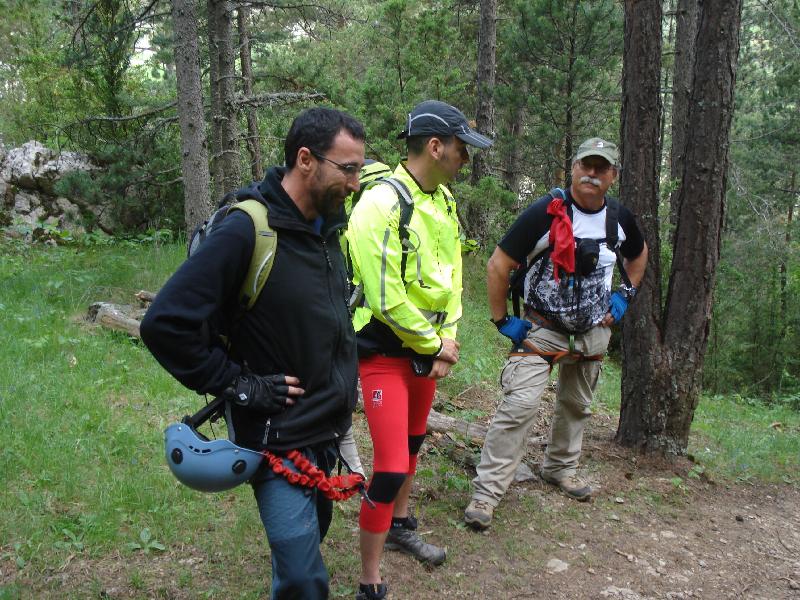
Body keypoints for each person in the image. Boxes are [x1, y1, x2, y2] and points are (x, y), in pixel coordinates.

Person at [140, 107, 365, 599]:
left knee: (306, 547)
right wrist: (241, 385)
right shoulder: (248, 229)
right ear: (305, 159)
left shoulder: (327, 230)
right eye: (347, 169)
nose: (355, 183)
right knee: (304, 579)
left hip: (325, 431)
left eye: (359, 170)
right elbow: (164, 324)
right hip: (276, 438)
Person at [346, 100, 493, 600]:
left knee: (412, 445)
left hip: (426, 356)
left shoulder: (444, 200)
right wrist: (437, 347)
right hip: (384, 355)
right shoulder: (379, 206)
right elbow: (385, 299)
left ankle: (401, 526)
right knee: (389, 468)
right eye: (461, 149)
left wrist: (447, 336)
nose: (465, 160)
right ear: (435, 146)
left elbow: (453, 276)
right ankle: (369, 580)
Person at [464, 137, 648, 530]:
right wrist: (501, 320)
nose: (592, 174)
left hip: (593, 329)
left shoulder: (619, 218)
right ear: (573, 168)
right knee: (520, 405)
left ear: (613, 175)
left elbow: (638, 254)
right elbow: (498, 264)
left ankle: (560, 468)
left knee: (577, 404)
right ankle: (487, 493)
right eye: (586, 165)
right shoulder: (544, 213)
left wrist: (625, 296)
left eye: (601, 168)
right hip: (541, 328)